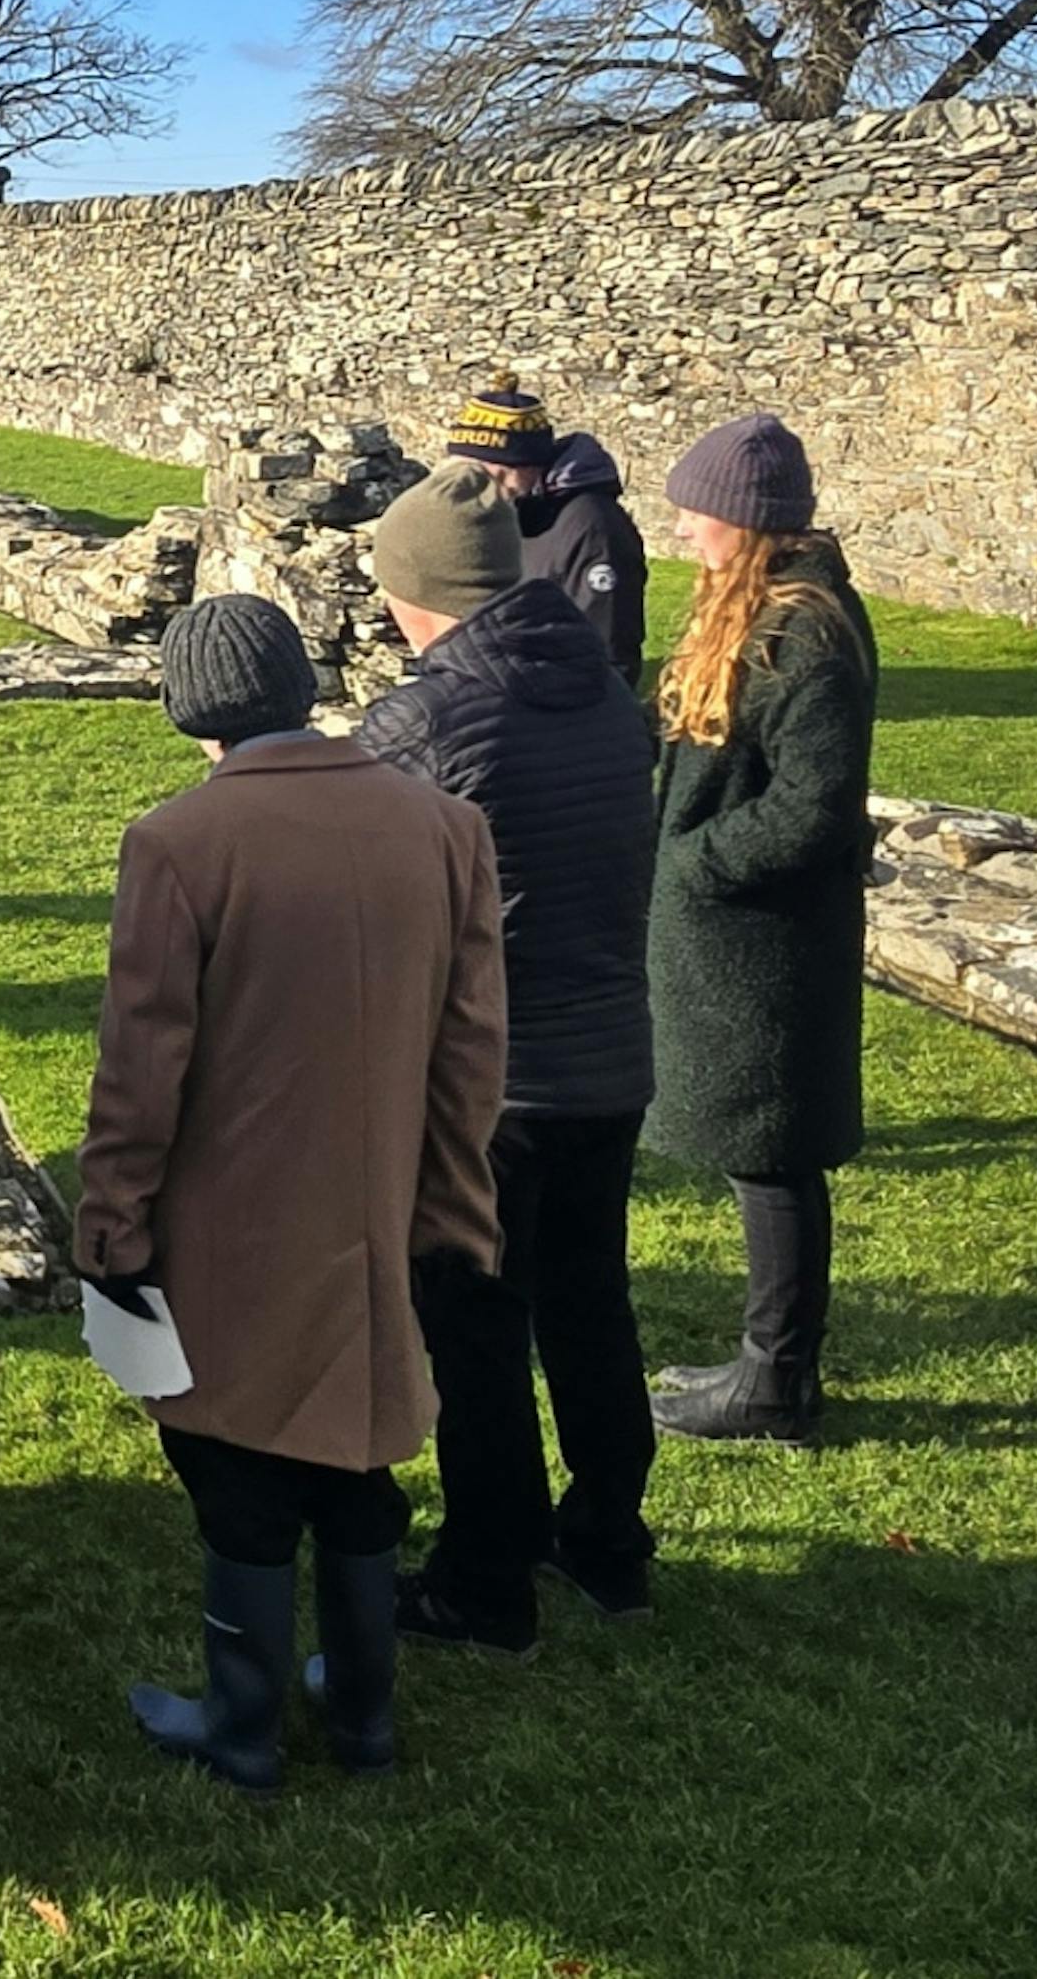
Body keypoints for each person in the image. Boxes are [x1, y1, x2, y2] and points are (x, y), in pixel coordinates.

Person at [80, 593, 506, 1791]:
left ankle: (243, 1721)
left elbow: (140, 1067)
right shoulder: (443, 826)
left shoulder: (180, 842)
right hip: (379, 1204)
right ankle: (361, 1711)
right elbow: (471, 1048)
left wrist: (110, 1223)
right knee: (356, 1457)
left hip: (231, 1218)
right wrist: (452, 1206)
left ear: (188, 711)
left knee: (238, 1464)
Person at [356, 466, 662, 1652]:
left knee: (473, 1321)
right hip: (606, 1053)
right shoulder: (601, 690)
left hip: (490, 1075)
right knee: (587, 1298)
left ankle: (485, 1579)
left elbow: (364, 879)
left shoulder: (427, 720)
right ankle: (606, 1537)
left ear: (416, 589)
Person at [644, 413, 879, 1447]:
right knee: (762, 1154)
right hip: (737, 939)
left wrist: (696, 861)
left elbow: (813, 805)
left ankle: (775, 1381)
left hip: (768, 944)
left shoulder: (805, 633)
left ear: (745, 518)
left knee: (772, 1154)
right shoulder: (759, 610)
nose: (682, 530)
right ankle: (767, 1365)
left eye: (696, 512)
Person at [448, 372, 649, 677]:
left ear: (521, 466)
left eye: (483, 471)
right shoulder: (505, 511)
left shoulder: (593, 527)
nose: (471, 484)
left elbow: (608, 651)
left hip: (566, 699)